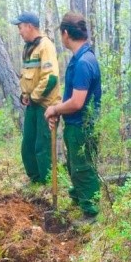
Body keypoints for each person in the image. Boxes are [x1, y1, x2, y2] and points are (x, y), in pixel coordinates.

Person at [44, 12, 102, 222]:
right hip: (77, 124)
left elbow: (77, 102)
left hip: (82, 126)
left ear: (66, 33)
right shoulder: (81, 58)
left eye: (61, 34)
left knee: (82, 166)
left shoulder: (84, 63)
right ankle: (79, 197)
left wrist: (55, 110)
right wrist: (58, 109)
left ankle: (91, 212)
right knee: (75, 164)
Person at [11, 12, 60, 184]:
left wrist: (34, 96)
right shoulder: (28, 47)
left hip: (46, 105)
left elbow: (51, 77)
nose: (19, 31)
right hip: (32, 104)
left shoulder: (45, 46)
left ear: (30, 26)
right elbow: (28, 76)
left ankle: (46, 182)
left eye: (20, 27)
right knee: (28, 144)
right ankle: (35, 178)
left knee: (42, 145)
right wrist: (25, 95)